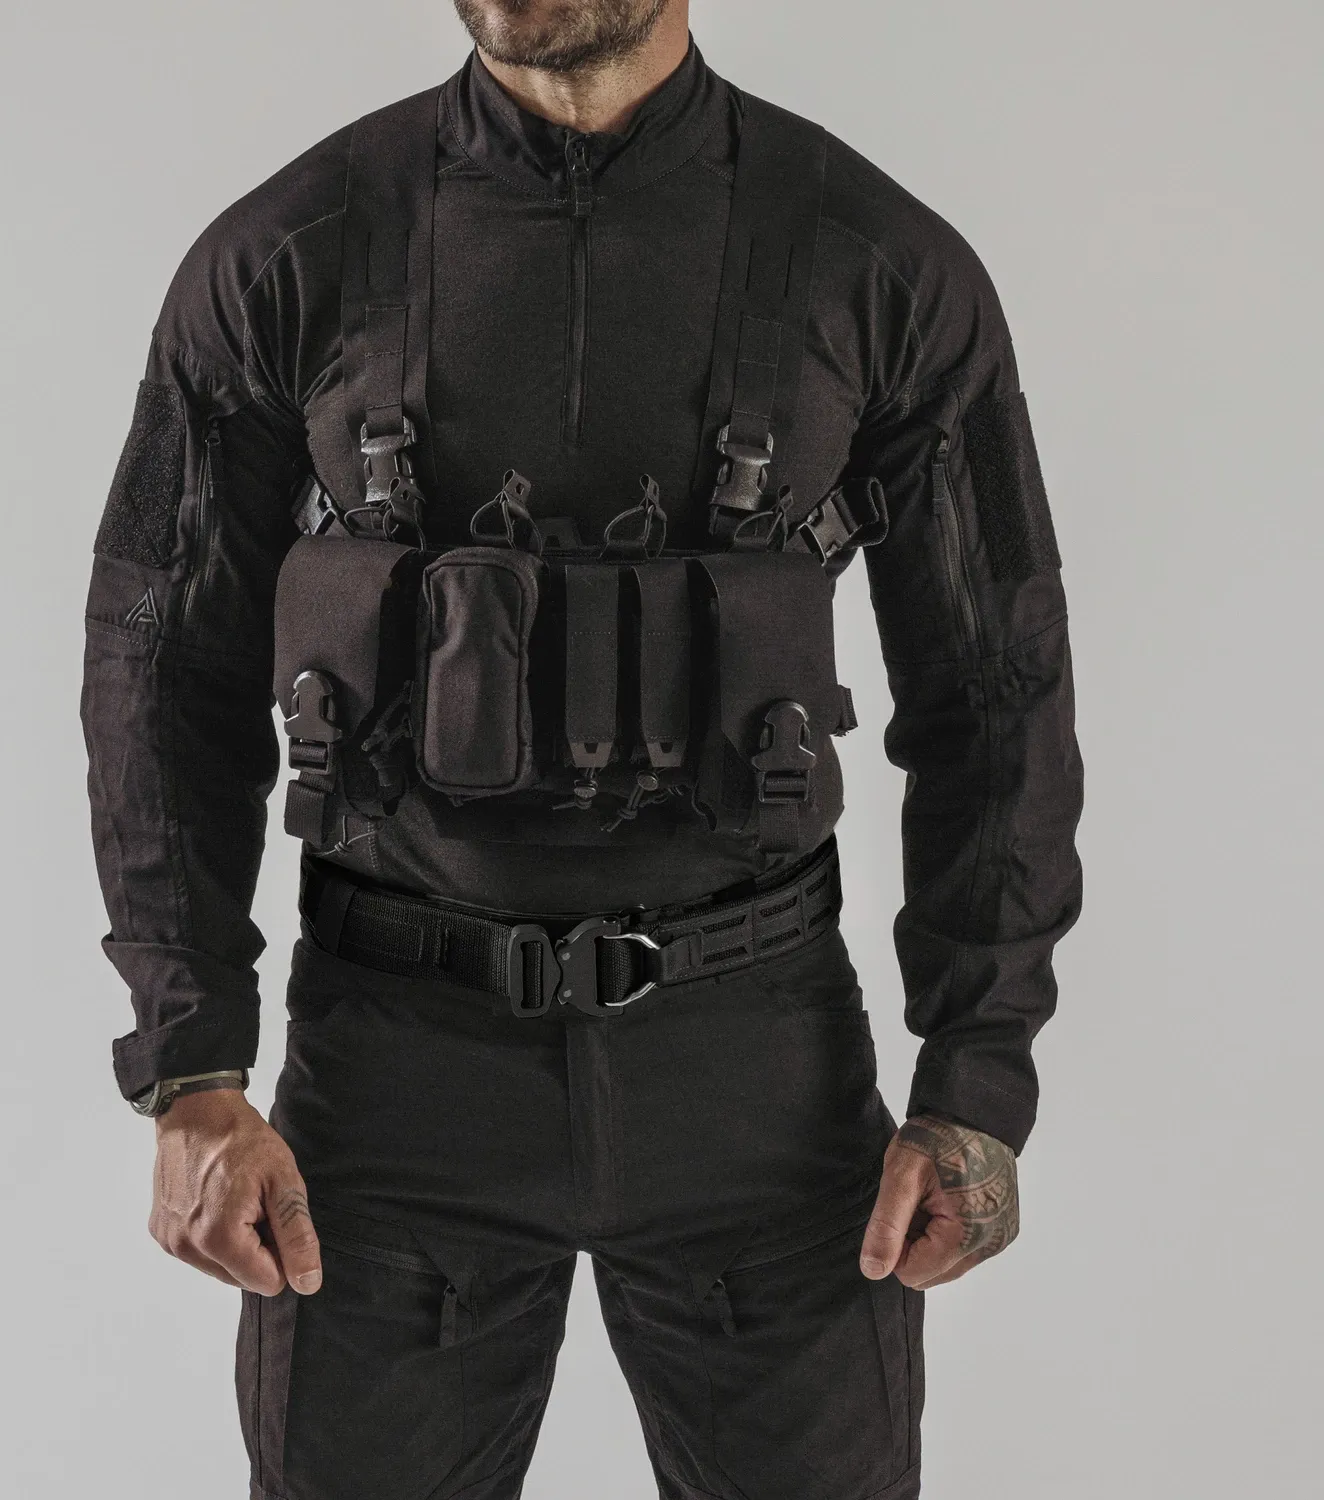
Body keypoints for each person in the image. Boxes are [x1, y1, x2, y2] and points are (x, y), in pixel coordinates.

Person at [81, 1, 1082, 1495]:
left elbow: (997, 686)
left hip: (759, 1084)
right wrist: (189, 1067)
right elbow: (161, 668)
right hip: (394, 1084)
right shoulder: (283, 256)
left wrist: (976, 1086)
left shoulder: (878, 266)